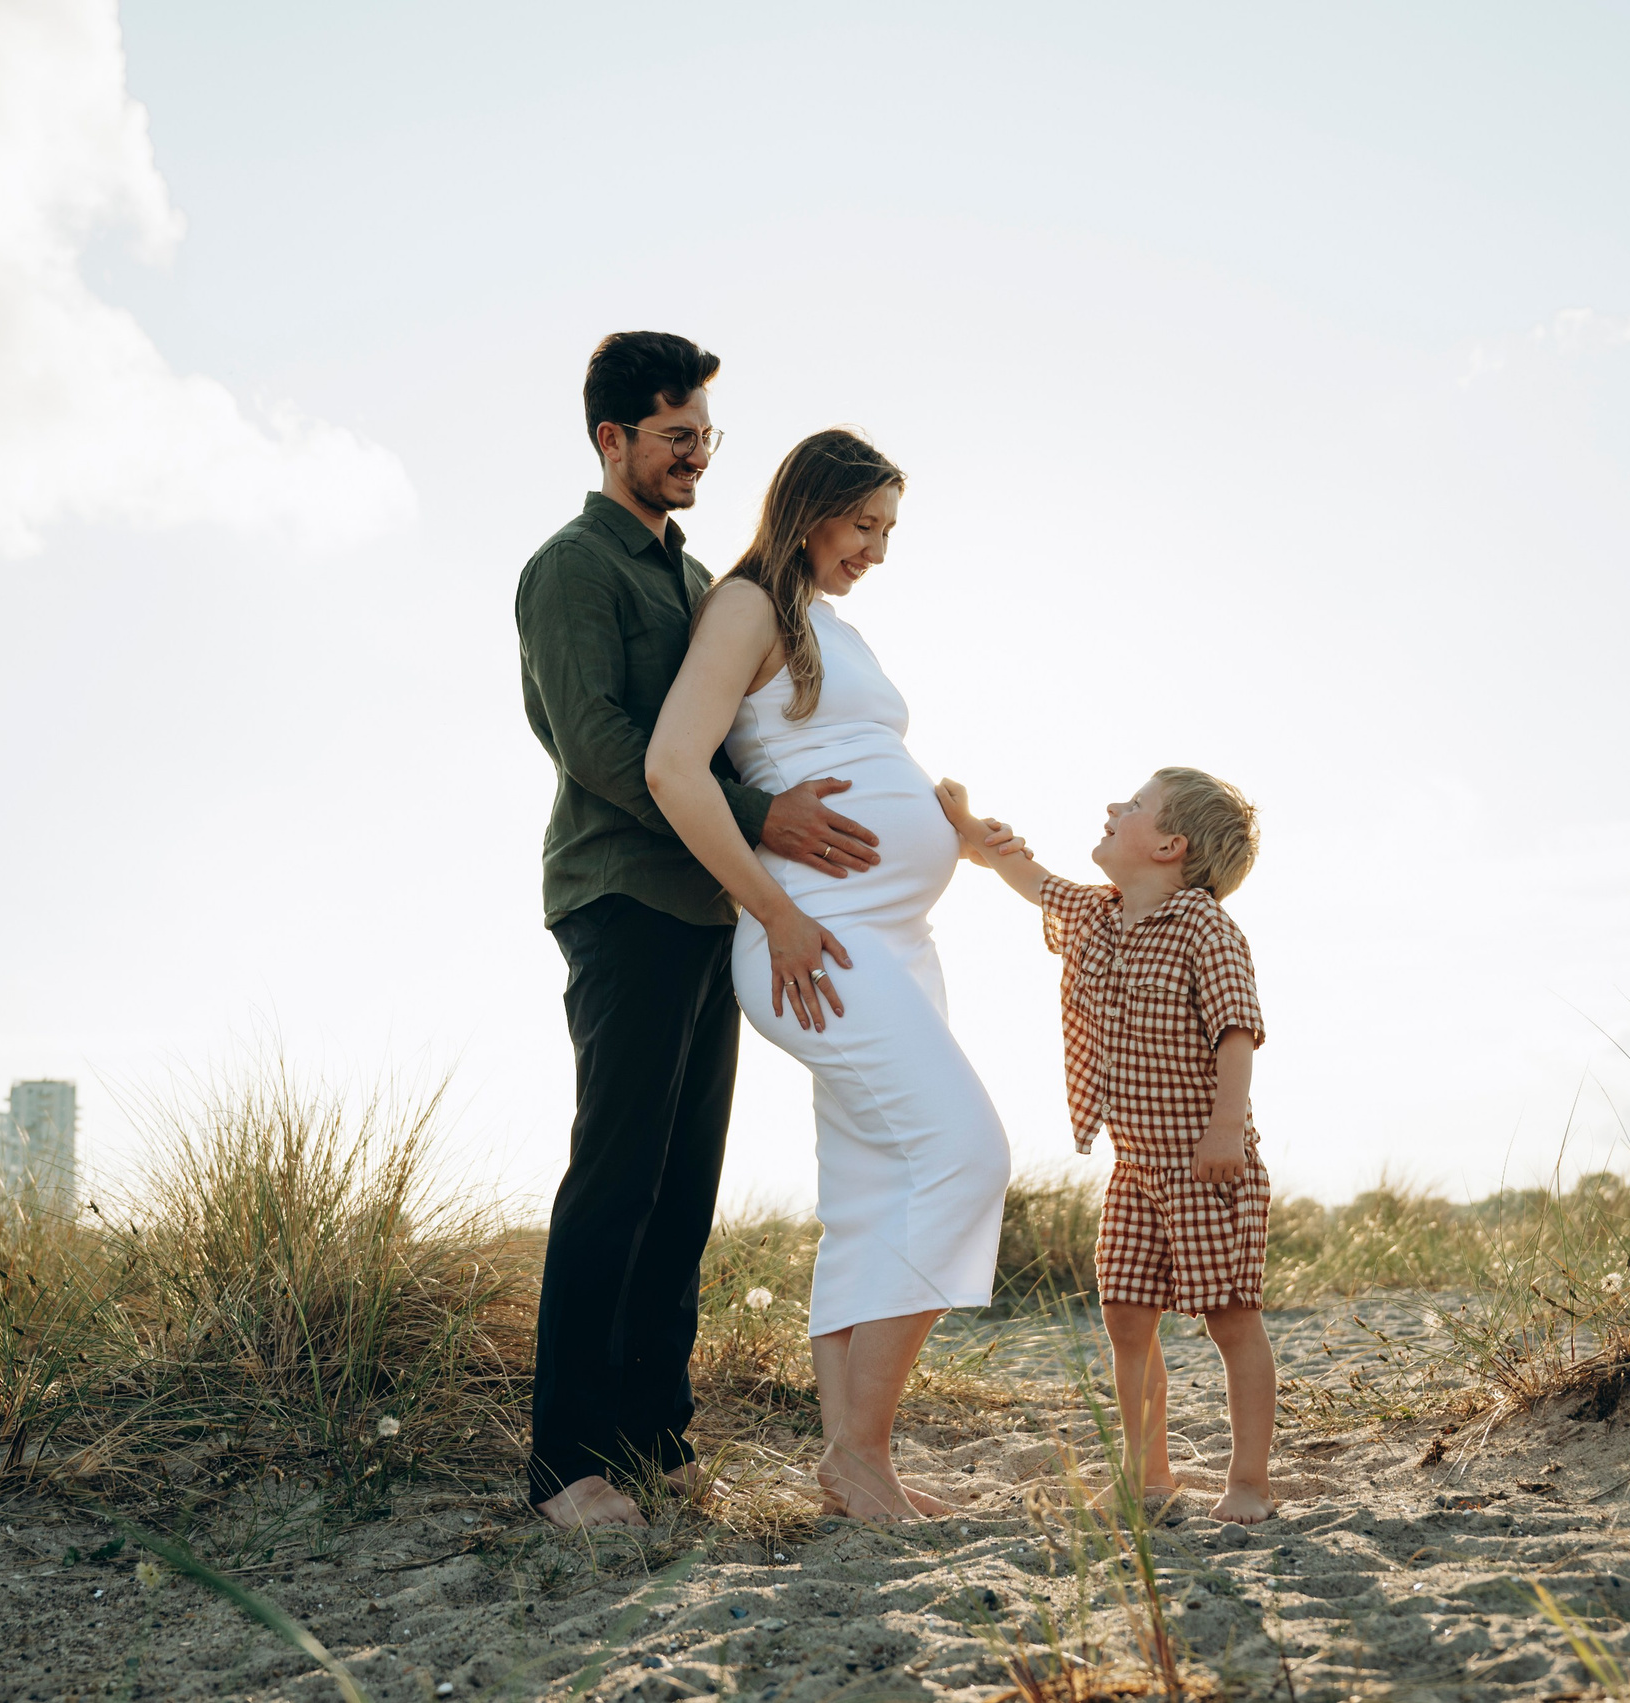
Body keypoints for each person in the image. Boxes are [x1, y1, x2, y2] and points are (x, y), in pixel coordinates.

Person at [515, 334, 886, 1530]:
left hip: (705, 908)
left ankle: (654, 1437)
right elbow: (606, 751)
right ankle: (565, 1464)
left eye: (707, 437)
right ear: (610, 438)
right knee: (614, 1176)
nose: (697, 459)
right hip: (620, 895)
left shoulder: (695, 583)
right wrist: (761, 818)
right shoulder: (573, 568)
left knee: (683, 1188)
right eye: (677, 439)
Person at [647, 428, 1014, 1523]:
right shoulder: (747, 606)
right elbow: (673, 765)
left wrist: (948, 826)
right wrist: (778, 912)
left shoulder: (829, 623)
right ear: (809, 507)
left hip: (889, 939)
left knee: (869, 1196)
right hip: (816, 938)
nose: (878, 549)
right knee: (965, 1154)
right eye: (865, 524)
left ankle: (861, 1461)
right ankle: (856, 1453)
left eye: (889, 530)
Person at [934, 768, 1279, 1524]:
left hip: (1204, 1161)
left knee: (1231, 1316)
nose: (1113, 807)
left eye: (1133, 804)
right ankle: (1148, 1473)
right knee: (1125, 1312)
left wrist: (1226, 1127)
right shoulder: (1097, 914)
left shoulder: (1203, 926)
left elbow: (1236, 1029)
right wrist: (967, 826)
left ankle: (1248, 1479)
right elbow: (1029, 877)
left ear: (1168, 844)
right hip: (1135, 1166)